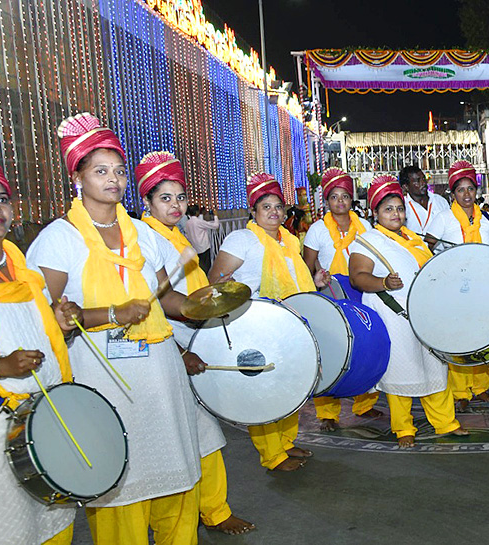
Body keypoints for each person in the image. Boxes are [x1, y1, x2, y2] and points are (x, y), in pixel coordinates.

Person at [28, 113, 202, 543]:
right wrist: (110, 315)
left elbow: (168, 300)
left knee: (174, 468)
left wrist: (208, 306)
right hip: (101, 372)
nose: (114, 179)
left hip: (159, 368)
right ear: (78, 177)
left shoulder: (145, 235)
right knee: (118, 473)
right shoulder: (58, 239)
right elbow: (49, 317)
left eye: (120, 171)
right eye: (100, 171)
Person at [135, 151, 255, 536]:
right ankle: (191, 517)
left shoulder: (176, 235)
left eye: (179, 197)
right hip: (167, 342)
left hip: (190, 334)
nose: (175, 205)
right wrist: (179, 350)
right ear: (146, 203)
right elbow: (151, 304)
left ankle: (214, 511)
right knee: (184, 439)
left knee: (206, 433)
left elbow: (187, 291)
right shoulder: (143, 238)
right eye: (164, 198)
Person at [0, 139, 79, 544]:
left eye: (1, 198)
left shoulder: (24, 270)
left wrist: (59, 324)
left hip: (43, 416)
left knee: (54, 522)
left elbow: (34, 330)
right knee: (9, 527)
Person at [208, 172, 329, 472]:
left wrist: (315, 280)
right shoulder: (243, 239)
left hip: (289, 324)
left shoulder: (288, 240)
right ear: (253, 211)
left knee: (290, 383)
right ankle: (272, 455)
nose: (274, 212)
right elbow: (216, 280)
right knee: (265, 390)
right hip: (256, 324)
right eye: (266, 207)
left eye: (278, 206)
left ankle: (286, 442)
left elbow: (293, 283)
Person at [348, 176, 469, 448]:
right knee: (402, 370)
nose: (396, 214)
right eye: (388, 209)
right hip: (393, 316)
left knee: (435, 367)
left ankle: (446, 422)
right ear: (375, 213)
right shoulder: (367, 241)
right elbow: (357, 277)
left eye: (399, 208)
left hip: (425, 313)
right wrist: (383, 283)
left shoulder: (412, 238)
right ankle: (403, 428)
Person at [302, 168, 385, 431]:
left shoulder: (365, 226)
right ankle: (327, 413)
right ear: (327, 200)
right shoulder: (317, 229)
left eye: (345, 196)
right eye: (334, 197)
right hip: (330, 293)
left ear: (352, 200)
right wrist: (316, 279)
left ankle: (365, 404)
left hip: (361, 289)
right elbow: (307, 264)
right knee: (330, 348)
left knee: (366, 345)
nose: (340, 201)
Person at [438, 160, 489, 409]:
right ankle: (460, 392)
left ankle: (481, 387)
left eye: (470, 188)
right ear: (453, 193)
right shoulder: (443, 219)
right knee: (459, 339)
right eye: (461, 190)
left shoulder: (487, 218)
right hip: (454, 292)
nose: (467, 194)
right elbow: (428, 249)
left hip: (485, 290)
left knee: (487, 337)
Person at [399, 165, 449, 246]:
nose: (423, 183)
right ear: (406, 187)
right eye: (417, 181)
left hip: (441, 255)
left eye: (423, 178)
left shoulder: (440, 201)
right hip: (416, 255)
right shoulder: (403, 207)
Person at [184, 205, 220, 271]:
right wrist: (216, 215)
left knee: (201, 266)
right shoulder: (198, 222)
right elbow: (215, 225)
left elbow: (187, 235)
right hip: (204, 247)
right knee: (206, 267)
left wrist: (201, 214)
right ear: (196, 212)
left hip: (195, 247)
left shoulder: (187, 223)